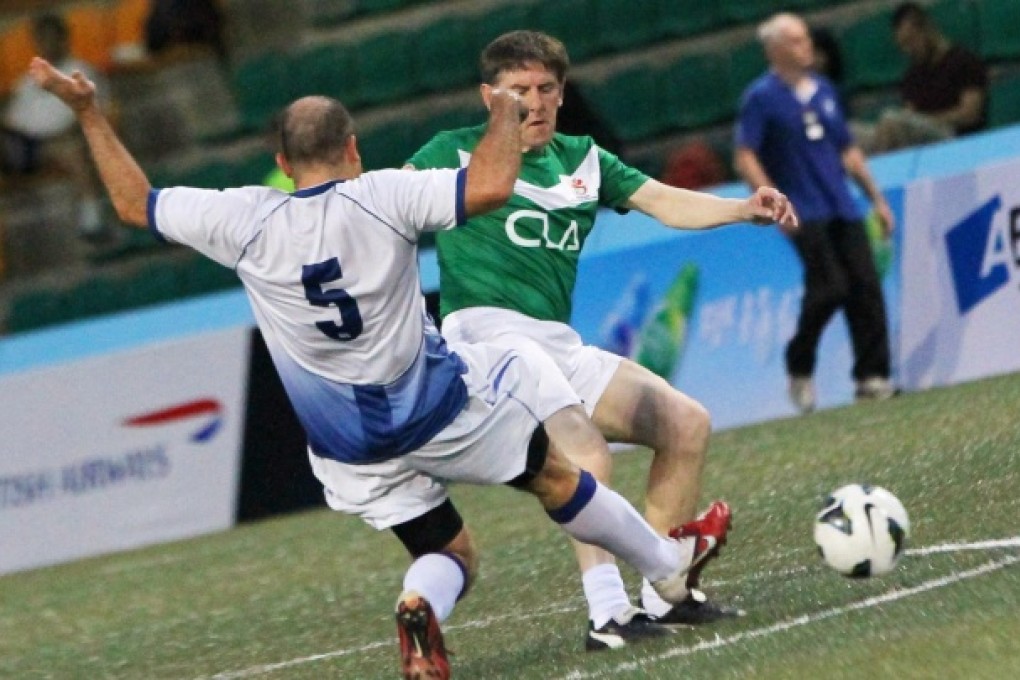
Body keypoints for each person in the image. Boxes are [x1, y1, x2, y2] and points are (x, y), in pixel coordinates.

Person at [30, 56, 733, 680]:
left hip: (344, 446)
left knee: (447, 548)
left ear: (280, 156)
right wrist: (504, 115)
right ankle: (668, 571)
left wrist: (89, 112)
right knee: (556, 475)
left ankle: (420, 604)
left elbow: (131, 203)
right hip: (434, 409)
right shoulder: (385, 194)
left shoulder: (240, 219)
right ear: (354, 148)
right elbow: (488, 187)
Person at [406, 30, 798, 650]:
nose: (532, 104)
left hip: (556, 344)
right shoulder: (449, 154)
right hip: (486, 342)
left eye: (544, 90)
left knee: (684, 423)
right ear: (489, 98)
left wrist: (744, 208)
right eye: (517, 92)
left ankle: (663, 592)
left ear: (562, 94)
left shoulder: (584, 159)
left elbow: (664, 202)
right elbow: (380, 214)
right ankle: (607, 613)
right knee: (585, 454)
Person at [734, 13, 897, 415]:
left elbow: (848, 149)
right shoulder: (761, 97)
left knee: (865, 286)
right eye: (795, 40)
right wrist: (769, 199)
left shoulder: (824, 90)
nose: (806, 46)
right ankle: (800, 363)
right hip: (802, 210)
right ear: (775, 49)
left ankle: (872, 376)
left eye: (806, 39)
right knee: (829, 287)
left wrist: (876, 197)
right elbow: (745, 155)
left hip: (841, 202)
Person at [1, 13, 109, 242]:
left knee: (72, 151)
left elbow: (89, 117)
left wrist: (56, 139)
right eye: (42, 39)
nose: (47, 44)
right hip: (20, 145)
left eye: (52, 38)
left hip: (57, 144)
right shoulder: (27, 81)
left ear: (64, 39)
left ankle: (92, 222)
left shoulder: (81, 72)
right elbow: (10, 121)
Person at [866, 2, 988, 153]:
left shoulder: (964, 61)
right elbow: (909, 115)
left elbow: (970, 114)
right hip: (920, 140)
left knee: (890, 120)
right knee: (855, 134)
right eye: (903, 46)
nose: (908, 50)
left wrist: (926, 121)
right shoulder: (912, 75)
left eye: (910, 41)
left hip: (954, 138)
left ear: (927, 29)